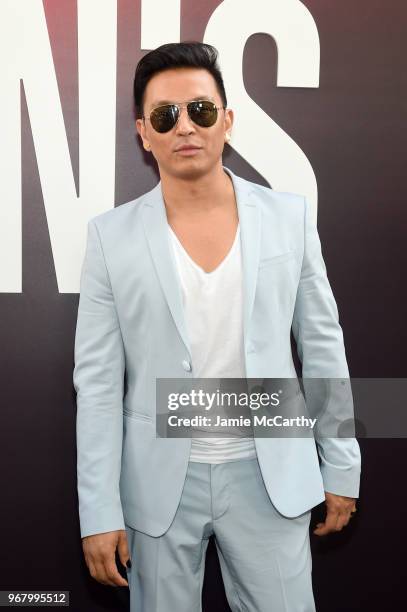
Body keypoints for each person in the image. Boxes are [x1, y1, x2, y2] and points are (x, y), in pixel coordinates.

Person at [73, 41, 361, 611]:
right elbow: (98, 386)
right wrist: (99, 509)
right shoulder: (110, 238)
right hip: (157, 489)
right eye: (165, 115)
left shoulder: (290, 218)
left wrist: (342, 464)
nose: (185, 127)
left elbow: (324, 349)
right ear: (143, 132)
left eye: (201, 110)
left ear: (227, 121)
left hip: (270, 476)